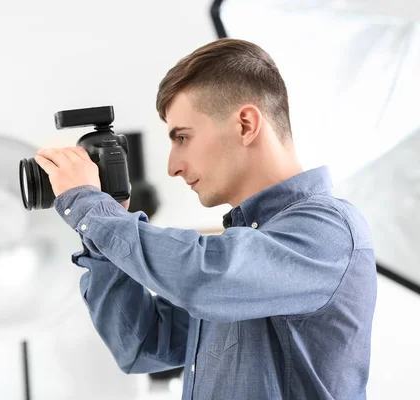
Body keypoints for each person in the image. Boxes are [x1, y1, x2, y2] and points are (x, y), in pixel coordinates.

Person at [35, 38, 377, 400]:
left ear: (245, 125)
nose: (172, 166)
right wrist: (105, 235)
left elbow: (201, 276)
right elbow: (140, 345)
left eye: (182, 137)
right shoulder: (239, 260)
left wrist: (89, 208)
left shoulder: (329, 231)